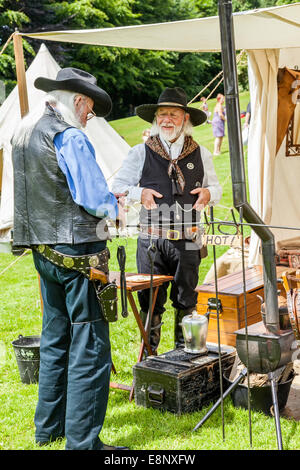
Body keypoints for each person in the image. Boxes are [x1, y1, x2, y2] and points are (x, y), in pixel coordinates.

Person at [11, 68, 128, 451]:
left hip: (43, 252)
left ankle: (49, 430)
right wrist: (115, 205)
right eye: (90, 110)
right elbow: (92, 198)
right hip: (78, 252)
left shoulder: (23, 132)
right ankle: (82, 444)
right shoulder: (70, 135)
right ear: (78, 101)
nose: (88, 117)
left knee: (56, 337)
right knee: (90, 344)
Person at [112, 87, 222, 354]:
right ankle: (151, 361)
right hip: (152, 240)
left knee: (186, 302)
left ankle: (184, 358)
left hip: (189, 239)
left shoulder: (202, 154)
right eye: (162, 114)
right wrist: (141, 192)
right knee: (150, 302)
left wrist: (208, 193)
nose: (166, 120)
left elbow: (216, 189)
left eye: (173, 114)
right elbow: (118, 186)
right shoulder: (141, 152)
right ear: (155, 119)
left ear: (185, 118)